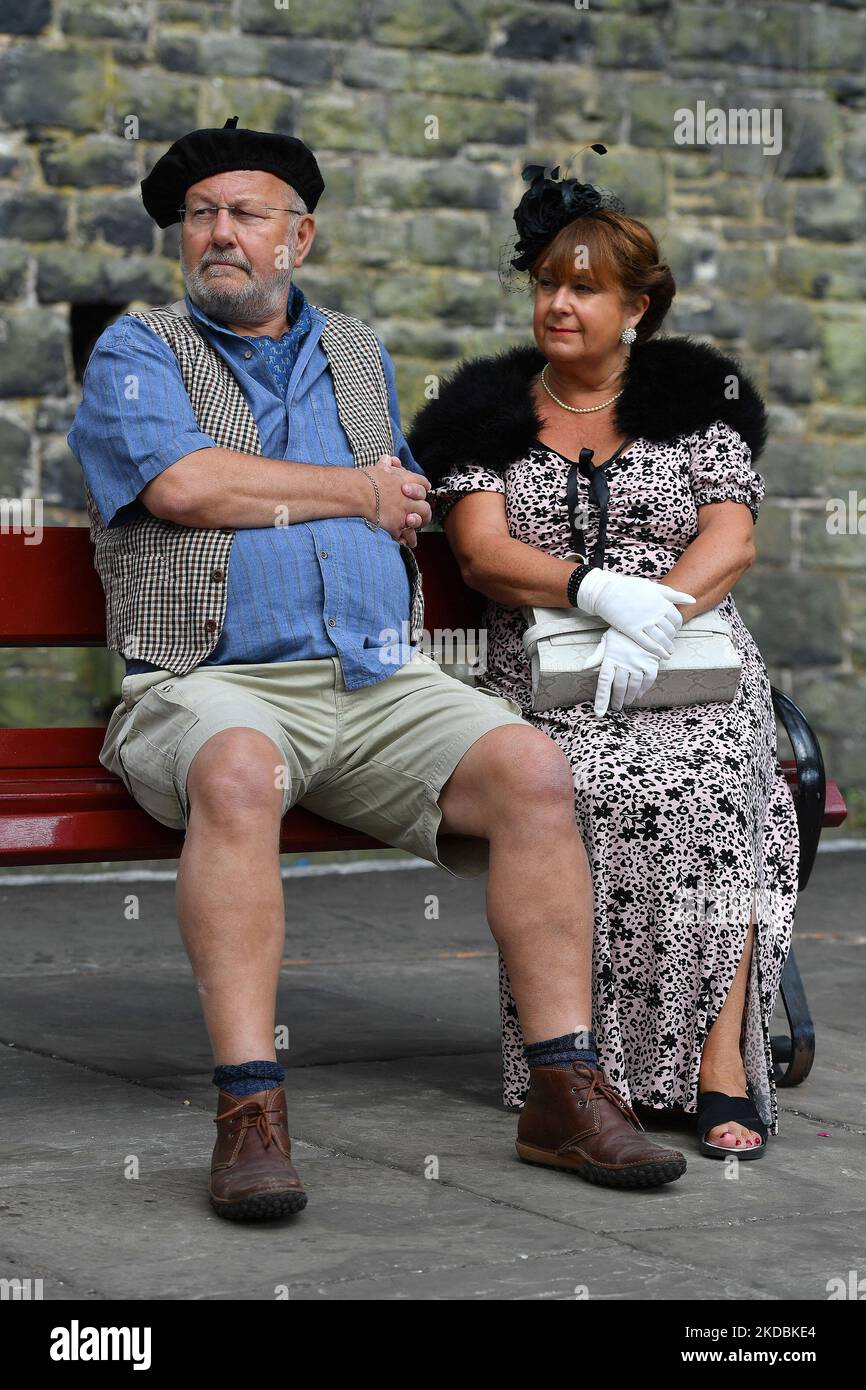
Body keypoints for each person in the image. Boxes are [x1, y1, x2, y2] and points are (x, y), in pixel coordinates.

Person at [67, 123, 688, 1220]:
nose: (219, 232)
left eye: (245, 213)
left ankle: (562, 1085)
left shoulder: (356, 351)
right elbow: (183, 484)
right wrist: (354, 493)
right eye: (201, 214)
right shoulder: (138, 348)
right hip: (205, 680)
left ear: (296, 237)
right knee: (240, 769)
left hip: (372, 676)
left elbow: (407, 487)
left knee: (532, 773)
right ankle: (250, 1107)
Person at [408, 154, 800, 1162]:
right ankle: (585, 1072)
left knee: (719, 783)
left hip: (693, 656)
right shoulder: (482, 413)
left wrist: (655, 616)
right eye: (546, 281)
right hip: (544, 663)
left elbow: (730, 540)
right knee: (579, 783)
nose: (558, 302)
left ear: (636, 306)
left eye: (583, 286)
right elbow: (482, 552)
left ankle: (719, 1062)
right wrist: (595, 594)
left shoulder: (695, 402)